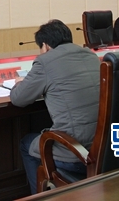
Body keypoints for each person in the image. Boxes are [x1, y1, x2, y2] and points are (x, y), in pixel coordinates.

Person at [10, 20, 100, 194]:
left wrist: (19, 83)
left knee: (26, 143)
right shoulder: (90, 55)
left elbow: (18, 98)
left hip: (76, 154)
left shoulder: (45, 61)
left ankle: (40, 196)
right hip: (104, 149)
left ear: (45, 46)